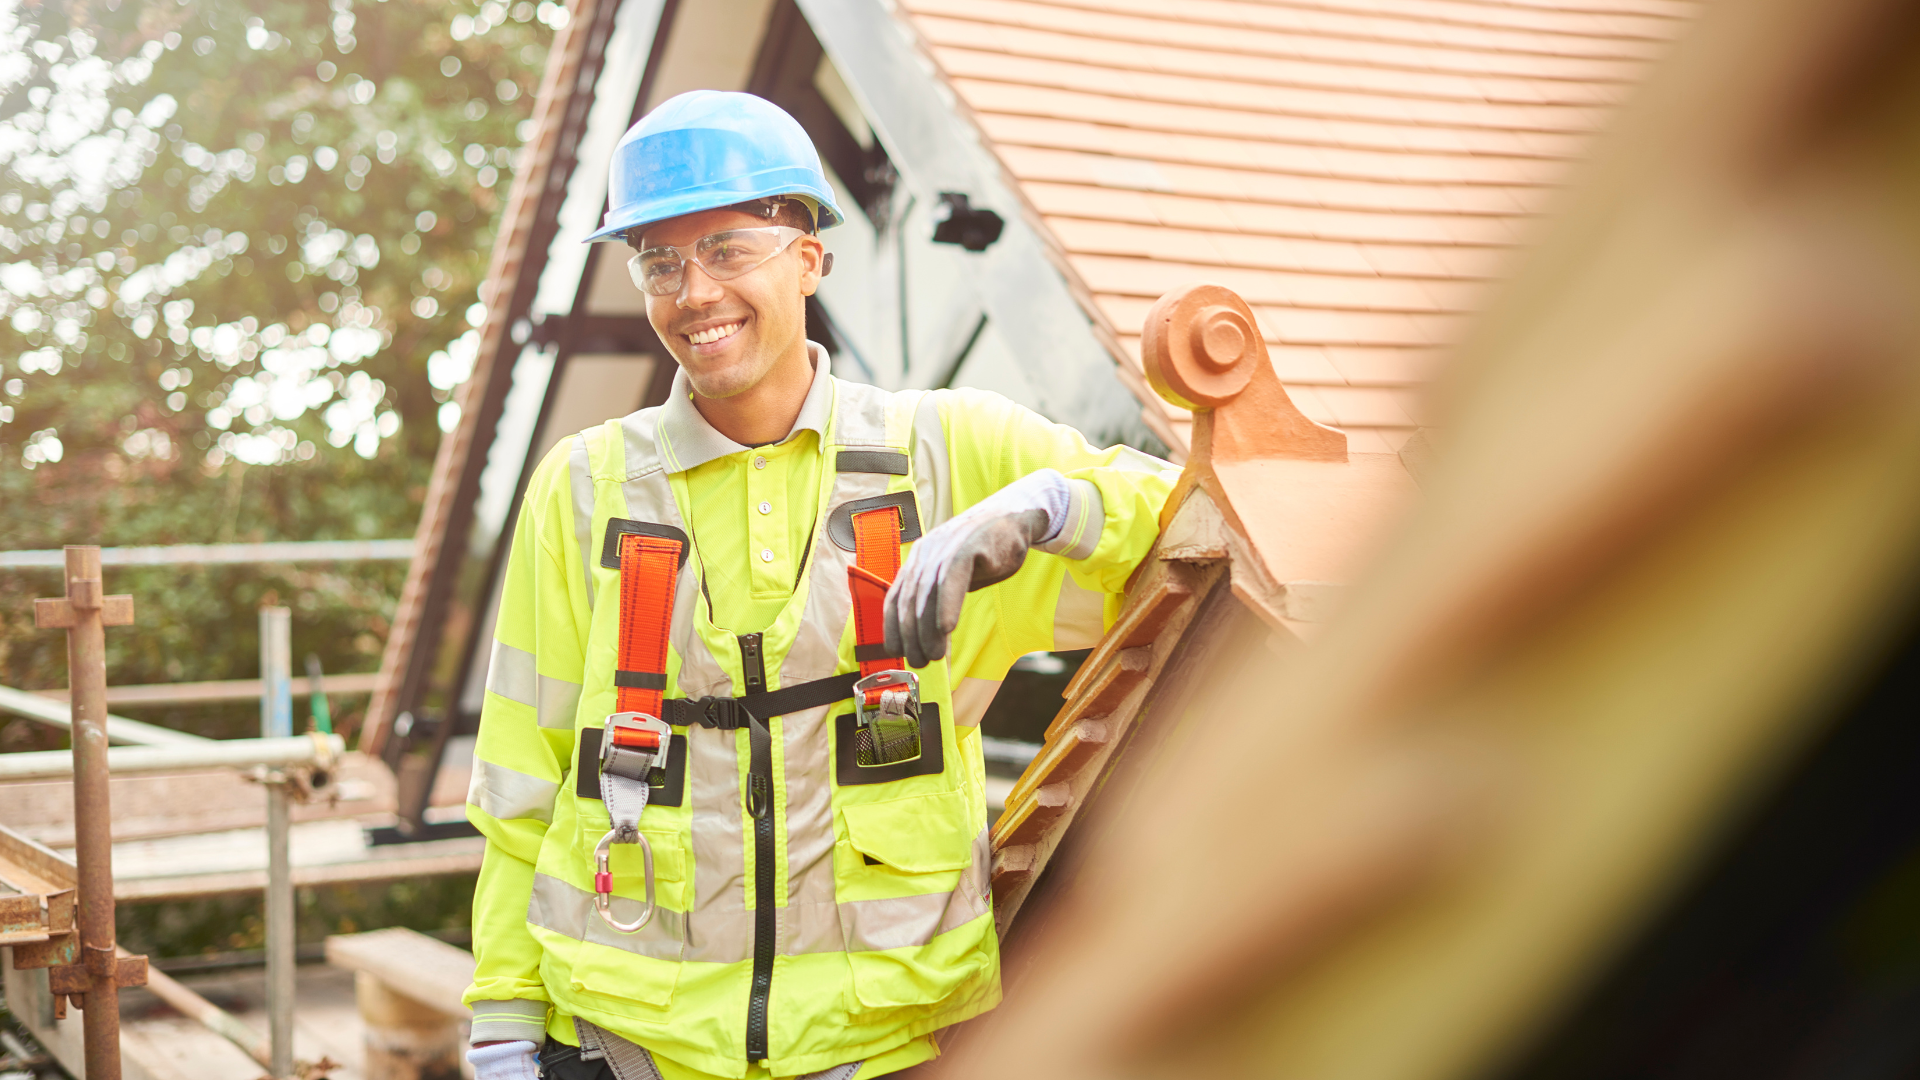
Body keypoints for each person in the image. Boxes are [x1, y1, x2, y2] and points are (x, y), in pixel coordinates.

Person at [460, 90, 1175, 1080]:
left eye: (727, 248)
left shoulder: (951, 451)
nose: (692, 291)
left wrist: (1050, 505)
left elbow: (1201, 530)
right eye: (659, 261)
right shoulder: (584, 489)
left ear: (811, 256)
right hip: (632, 1048)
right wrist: (501, 1019)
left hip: (884, 1050)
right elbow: (520, 782)